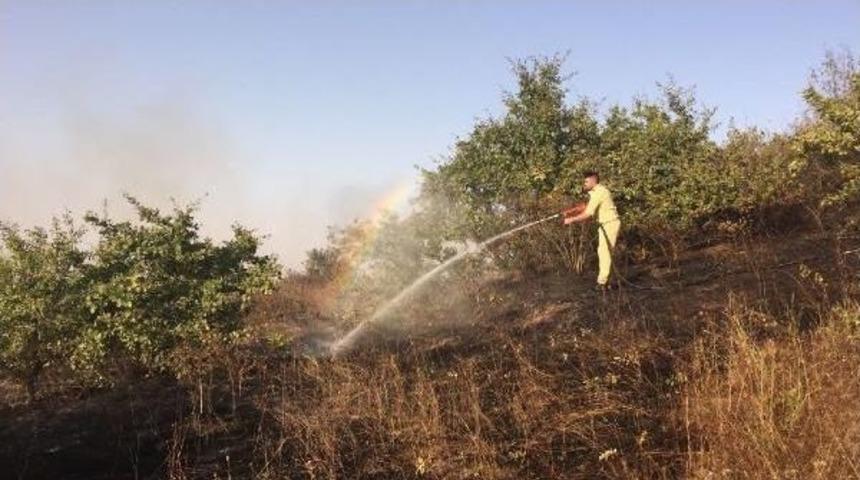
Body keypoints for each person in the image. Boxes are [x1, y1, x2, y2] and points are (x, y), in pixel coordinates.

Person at [563, 170, 621, 291]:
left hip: (610, 223)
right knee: (604, 252)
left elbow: (588, 213)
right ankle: (610, 282)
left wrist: (571, 219)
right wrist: (571, 211)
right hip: (605, 224)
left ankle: (602, 283)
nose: (584, 183)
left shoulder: (600, 192)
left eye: (586, 181)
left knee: (604, 252)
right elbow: (586, 207)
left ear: (594, 180)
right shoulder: (596, 192)